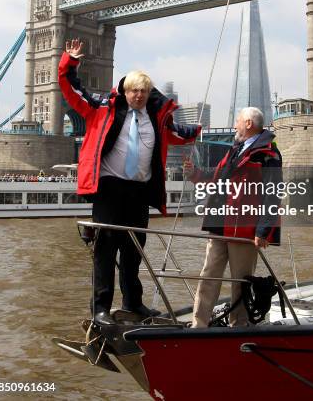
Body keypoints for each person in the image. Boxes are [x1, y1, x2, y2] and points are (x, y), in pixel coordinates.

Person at [58, 39, 201, 326]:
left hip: (139, 190)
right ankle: (100, 309)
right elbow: (73, 92)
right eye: (134, 90)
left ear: (150, 94)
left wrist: (197, 130)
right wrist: (70, 63)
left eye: (144, 92)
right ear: (125, 91)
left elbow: (178, 134)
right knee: (105, 250)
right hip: (110, 188)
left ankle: (133, 303)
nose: (139, 95)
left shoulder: (156, 118)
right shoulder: (103, 108)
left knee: (134, 249)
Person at [185, 106, 282, 328]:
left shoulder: (269, 154)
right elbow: (216, 177)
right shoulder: (235, 149)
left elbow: (273, 194)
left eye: (238, 121)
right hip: (219, 222)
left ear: (248, 124)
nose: (235, 125)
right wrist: (194, 173)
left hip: (244, 227)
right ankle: (198, 324)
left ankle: (239, 325)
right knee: (209, 274)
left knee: (240, 281)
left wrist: (263, 231)